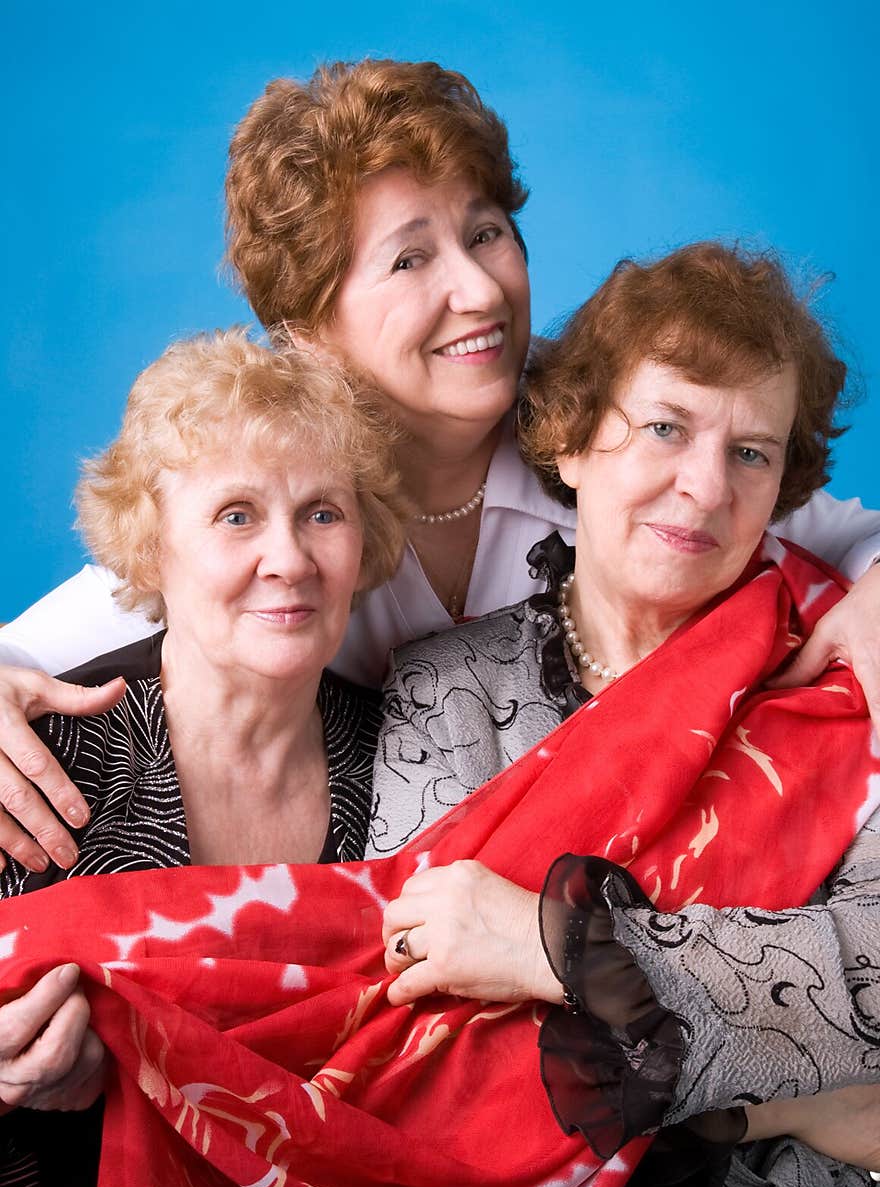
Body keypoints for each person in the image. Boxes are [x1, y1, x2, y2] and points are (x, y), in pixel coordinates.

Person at [3, 59, 880, 876]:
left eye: (487, 232)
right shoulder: (277, 526)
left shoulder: (621, 453)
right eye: (411, 258)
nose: (482, 290)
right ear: (309, 328)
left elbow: (834, 529)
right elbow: (72, 626)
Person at [367, 242, 880, 1187]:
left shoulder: (847, 671)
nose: (704, 487)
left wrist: (549, 947)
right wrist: (804, 1095)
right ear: (569, 438)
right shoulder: (447, 689)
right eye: (663, 427)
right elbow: (429, 1032)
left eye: (749, 453)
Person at [0, 327, 405, 1187]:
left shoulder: (410, 760)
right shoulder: (35, 765)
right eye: (236, 516)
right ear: (151, 548)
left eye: (323, 513)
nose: (290, 560)